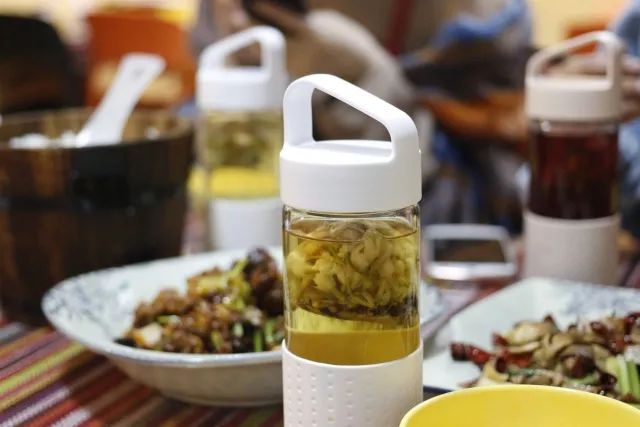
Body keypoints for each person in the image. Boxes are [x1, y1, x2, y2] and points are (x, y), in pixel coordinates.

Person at [191, 0, 414, 140]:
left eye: (247, 7)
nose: (238, 20)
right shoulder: (222, 55)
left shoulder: (327, 34)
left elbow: (400, 98)